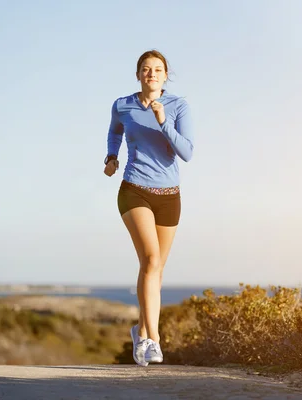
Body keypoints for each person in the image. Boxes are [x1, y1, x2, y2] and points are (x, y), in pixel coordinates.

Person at [103, 49, 194, 366]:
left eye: (157, 69)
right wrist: (111, 156)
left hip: (169, 195)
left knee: (154, 269)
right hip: (134, 190)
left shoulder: (178, 106)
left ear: (165, 75)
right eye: (146, 69)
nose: (151, 73)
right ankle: (152, 340)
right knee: (152, 260)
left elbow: (187, 152)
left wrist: (163, 122)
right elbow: (115, 131)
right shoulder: (123, 105)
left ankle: (139, 332)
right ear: (138, 74)